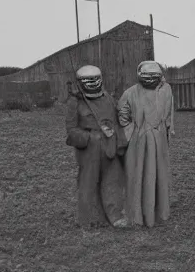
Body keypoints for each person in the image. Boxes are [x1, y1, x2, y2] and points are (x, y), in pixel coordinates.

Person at [65, 65, 128, 228]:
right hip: (89, 150)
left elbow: (116, 121)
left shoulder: (107, 98)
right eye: (87, 80)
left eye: (95, 79)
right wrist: (91, 137)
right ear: (80, 82)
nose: (92, 83)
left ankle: (115, 216)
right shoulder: (74, 102)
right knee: (89, 182)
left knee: (113, 180)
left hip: (110, 146)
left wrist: (120, 143)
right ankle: (90, 218)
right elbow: (71, 131)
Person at [117, 61, 175, 227]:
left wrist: (165, 131)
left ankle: (159, 211)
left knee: (159, 174)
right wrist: (133, 131)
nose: (150, 79)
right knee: (138, 173)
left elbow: (170, 112)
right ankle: (138, 213)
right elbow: (122, 115)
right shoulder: (130, 93)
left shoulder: (166, 90)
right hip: (139, 141)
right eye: (146, 76)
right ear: (139, 75)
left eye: (154, 76)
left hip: (160, 139)